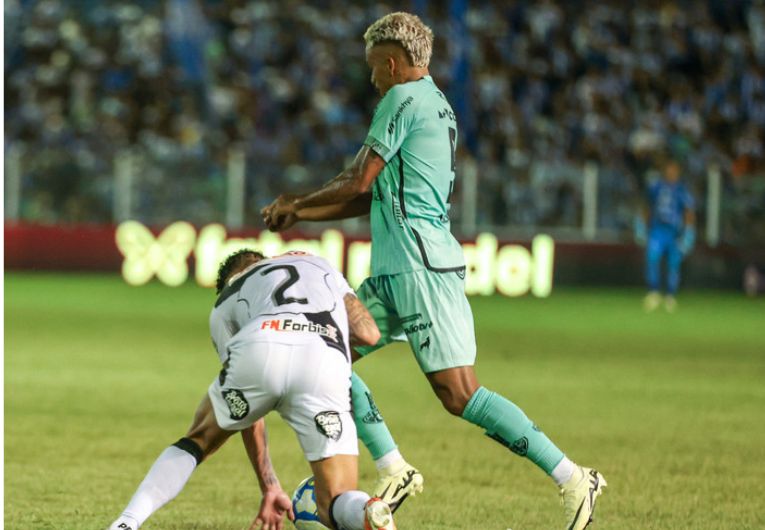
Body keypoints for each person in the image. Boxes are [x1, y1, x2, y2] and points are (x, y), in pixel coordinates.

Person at [261, 11, 606, 530]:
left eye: (375, 67)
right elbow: (371, 193)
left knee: (459, 393)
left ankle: (574, 477)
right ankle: (394, 468)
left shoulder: (401, 99)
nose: (372, 78)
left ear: (394, 63)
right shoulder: (436, 105)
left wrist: (295, 199)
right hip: (399, 267)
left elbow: (359, 180)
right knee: (325, 356)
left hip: (420, 266)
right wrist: (301, 211)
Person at [109, 249, 397, 530]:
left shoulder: (226, 299)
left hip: (263, 341)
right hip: (324, 356)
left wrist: (269, 484)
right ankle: (368, 509)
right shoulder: (320, 265)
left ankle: (126, 523)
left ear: (230, 279)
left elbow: (248, 413)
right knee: (335, 500)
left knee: (197, 440)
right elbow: (369, 334)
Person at [635, 159, 696, 312]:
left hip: (674, 233)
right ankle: (653, 292)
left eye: (674, 170)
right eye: (669, 170)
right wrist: (641, 226)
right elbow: (647, 206)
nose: (671, 173)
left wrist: (689, 233)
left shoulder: (682, 190)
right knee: (652, 257)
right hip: (657, 230)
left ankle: (670, 295)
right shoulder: (655, 187)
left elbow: (689, 212)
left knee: (674, 263)